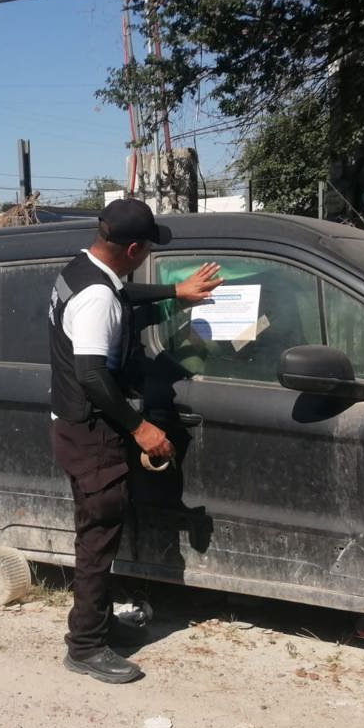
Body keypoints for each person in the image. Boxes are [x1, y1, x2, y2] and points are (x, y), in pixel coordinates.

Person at [48, 198, 221, 684]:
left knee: (99, 532)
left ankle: (97, 627)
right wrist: (140, 428)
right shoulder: (97, 297)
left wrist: (174, 291)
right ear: (130, 247)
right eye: (145, 248)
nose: (146, 254)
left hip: (75, 425)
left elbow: (122, 296)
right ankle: (84, 646)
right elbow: (91, 376)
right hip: (91, 434)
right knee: (97, 538)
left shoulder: (84, 268)